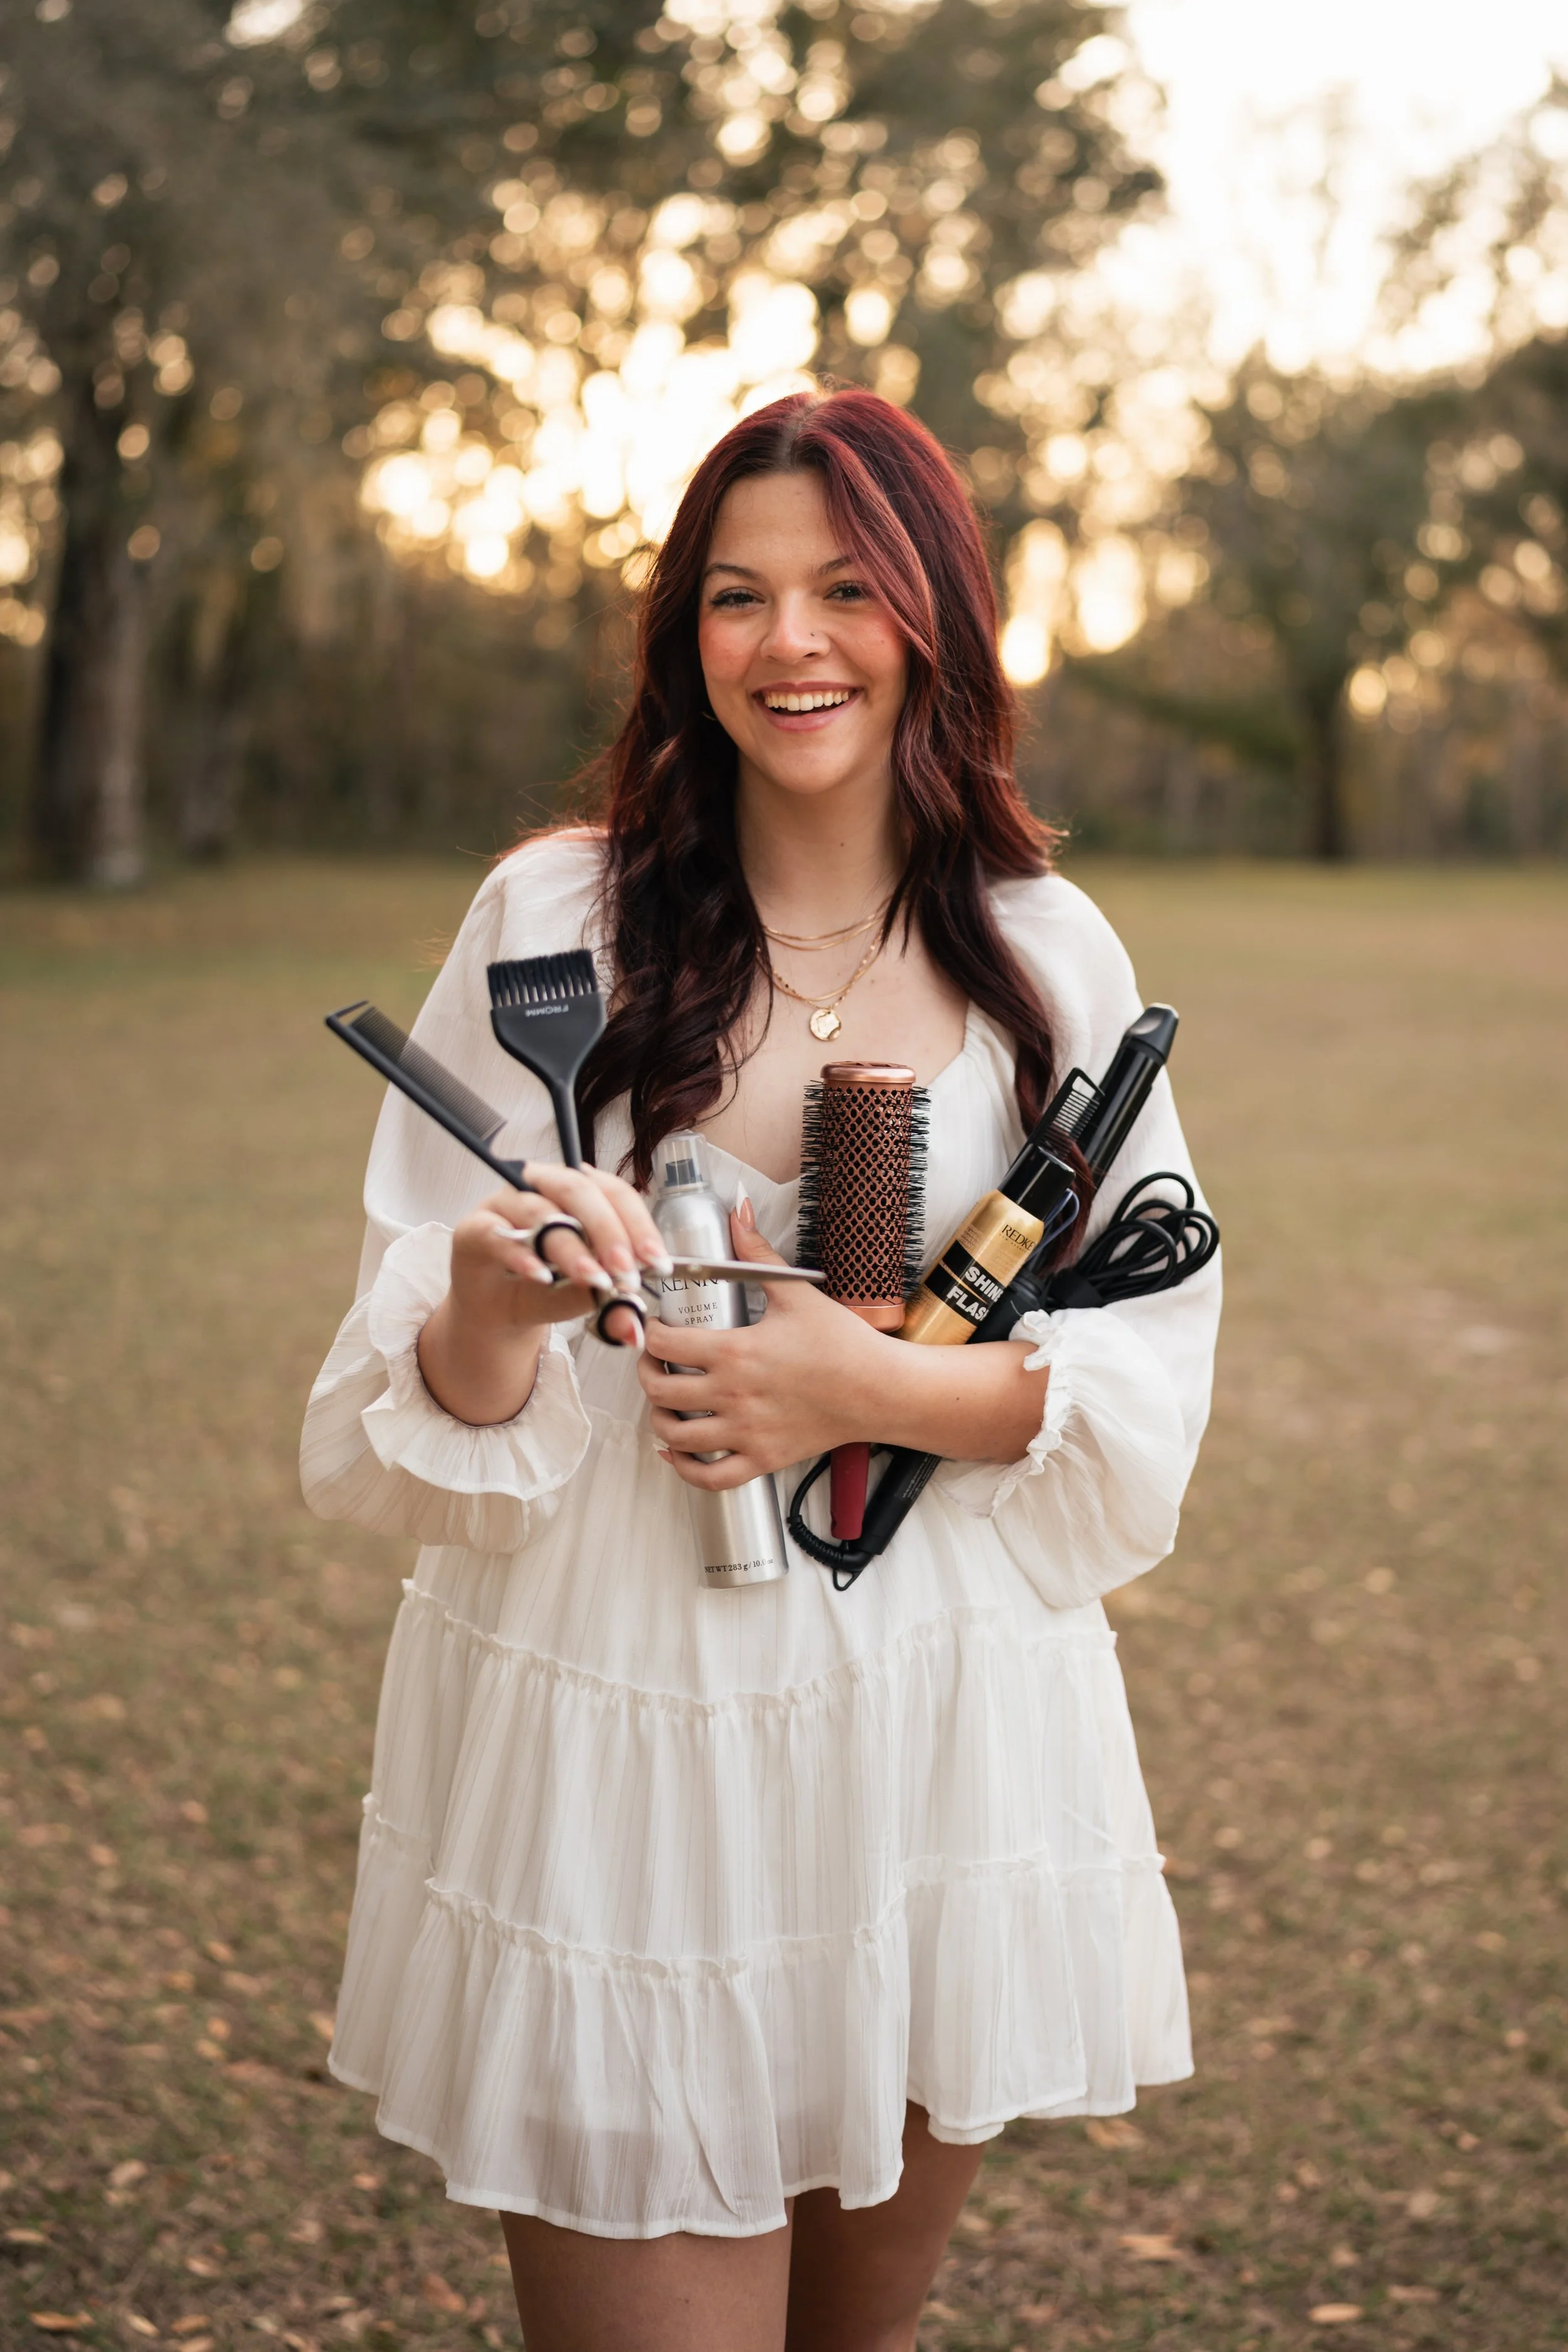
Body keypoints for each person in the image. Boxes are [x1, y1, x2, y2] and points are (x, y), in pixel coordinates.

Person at [301, 387, 1221, 2352]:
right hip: (628, 1711)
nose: (788, 641)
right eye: (735, 596)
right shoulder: (558, 915)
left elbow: (1134, 1373)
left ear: (932, 621)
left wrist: (864, 1390)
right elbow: (429, 1399)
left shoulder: (1047, 951)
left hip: (936, 1728)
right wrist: (493, 1296)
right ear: (680, 635)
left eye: (841, 590)